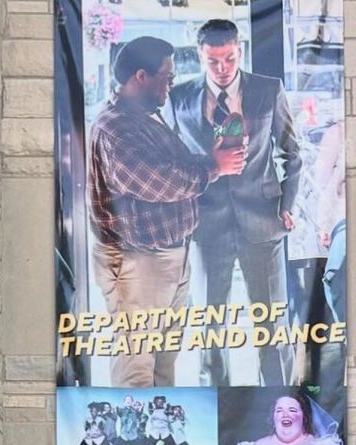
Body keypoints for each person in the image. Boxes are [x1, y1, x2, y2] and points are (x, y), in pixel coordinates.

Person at [88, 36, 246, 388]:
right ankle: (135, 441)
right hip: (139, 263)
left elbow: (170, 164)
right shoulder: (115, 126)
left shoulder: (145, 117)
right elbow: (157, 182)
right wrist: (214, 168)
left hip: (167, 258)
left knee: (162, 363)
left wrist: (210, 158)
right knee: (137, 367)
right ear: (140, 77)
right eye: (167, 76)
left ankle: (161, 437)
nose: (171, 84)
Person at [170, 19, 302, 386]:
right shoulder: (180, 98)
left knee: (272, 323)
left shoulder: (267, 90)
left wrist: (287, 204)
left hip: (263, 220)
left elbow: (292, 152)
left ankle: (280, 405)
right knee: (211, 325)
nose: (223, 68)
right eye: (214, 62)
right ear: (200, 56)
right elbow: (172, 163)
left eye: (229, 58)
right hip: (205, 226)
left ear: (239, 50)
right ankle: (217, 410)